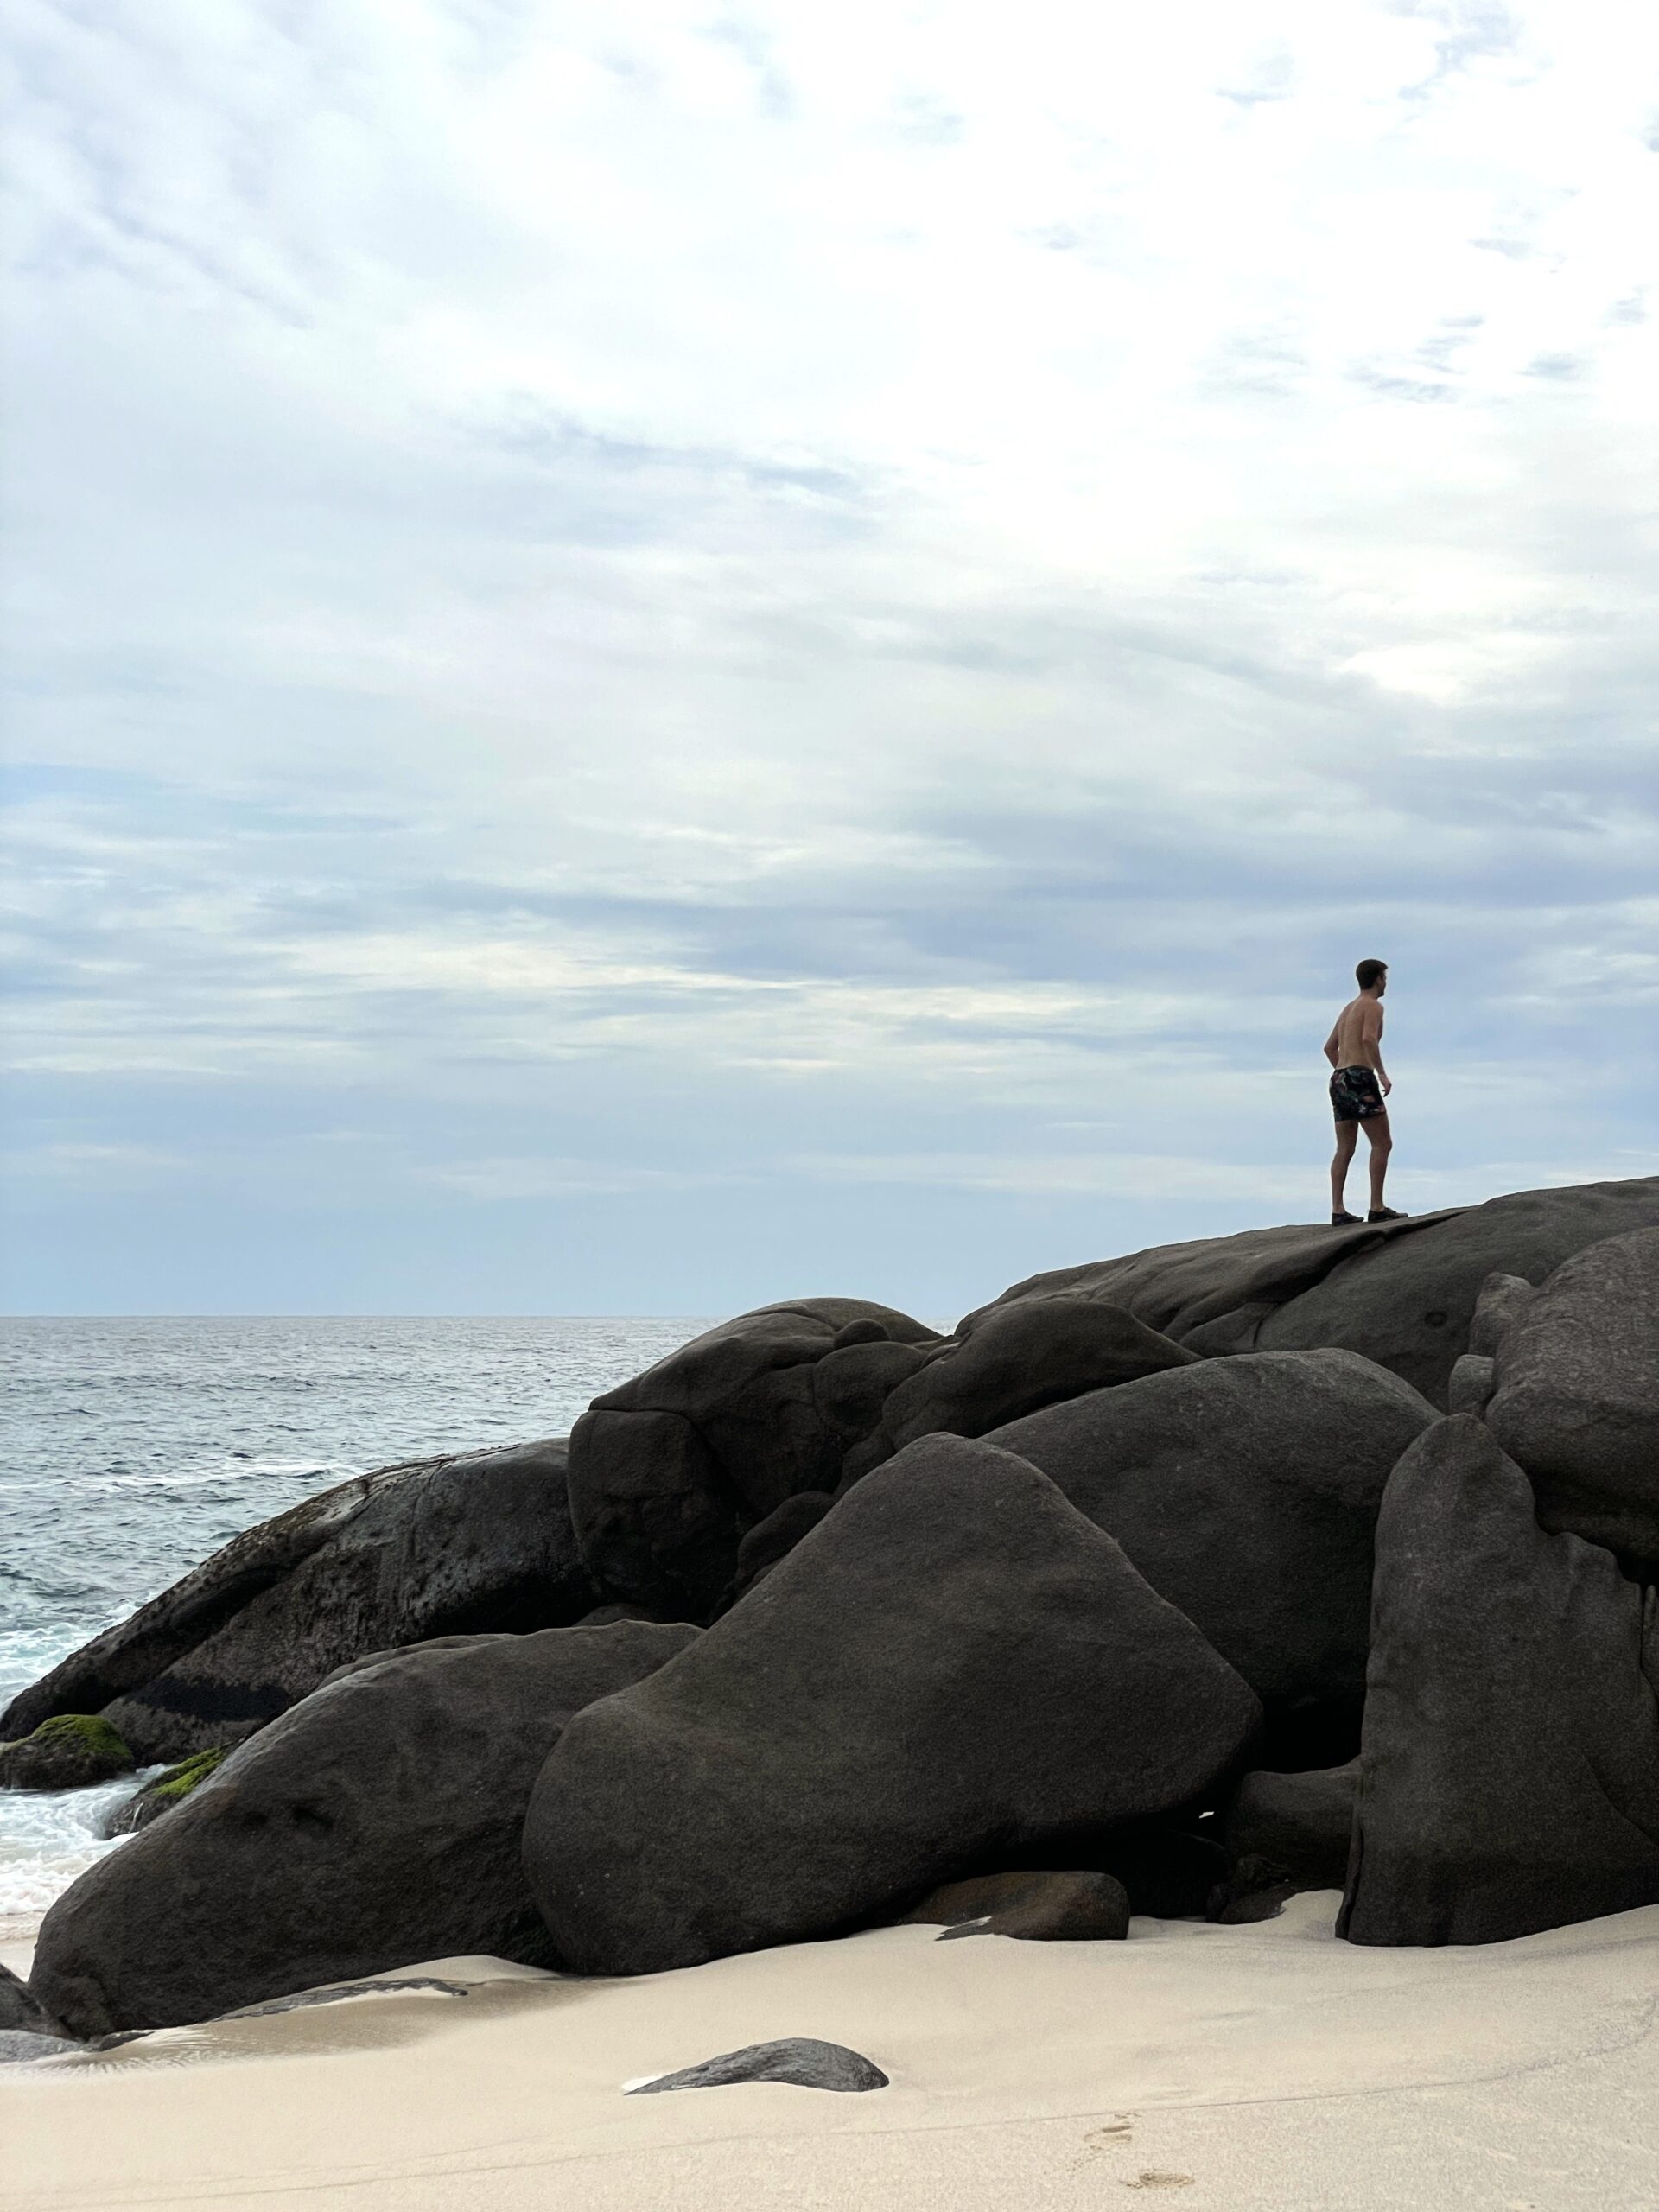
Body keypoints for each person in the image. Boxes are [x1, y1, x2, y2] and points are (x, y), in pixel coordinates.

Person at [1323, 958, 1405, 1226]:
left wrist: (1345, 1076)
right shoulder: (1373, 1006)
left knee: (1345, 1148)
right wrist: (1379, 1073)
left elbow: (1329, 1048)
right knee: (1383, 1143)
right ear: (1378, 979)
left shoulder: (1348, 1009)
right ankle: (1377, 1206)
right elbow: (1368, 1039)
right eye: (1384, 978)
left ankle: (1338, 1209)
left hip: (1339, 1079)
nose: (1386, 983)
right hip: (1359, 1075)